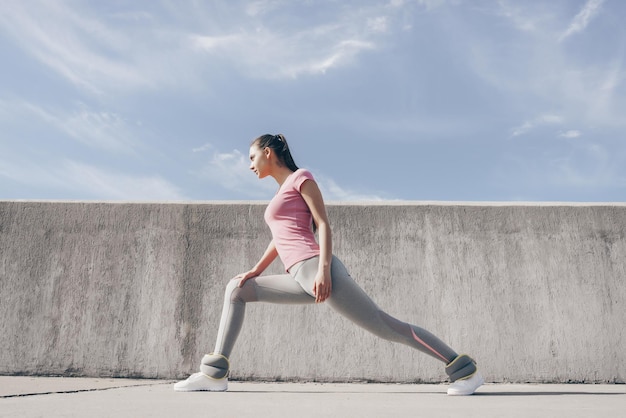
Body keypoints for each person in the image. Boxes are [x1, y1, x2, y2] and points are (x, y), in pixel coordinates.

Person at [174, 134, 484, 396]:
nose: (250, 164)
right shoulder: (280, 194)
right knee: (237, 289)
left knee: (387, 328)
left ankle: (464, 371)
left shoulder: (301, 178)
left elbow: (322, 224)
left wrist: (323, 270)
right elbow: (280, 239)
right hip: (297, 277)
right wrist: (255, 271)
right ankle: (215, 373)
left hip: (319, 270)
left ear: (268, 153)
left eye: (253, 157)